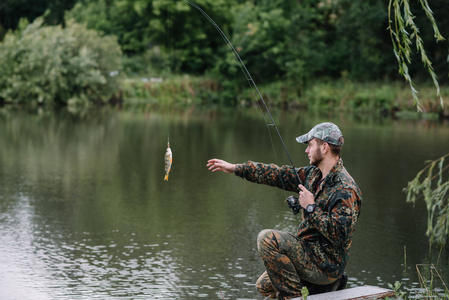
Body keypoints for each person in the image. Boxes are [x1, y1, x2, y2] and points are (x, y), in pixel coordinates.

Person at [207, 122, 362, 300]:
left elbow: (340, 237)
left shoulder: (346, 189)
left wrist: (311, 208)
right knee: (264, 285)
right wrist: (236, 168)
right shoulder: (314, 175)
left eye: (310, 145)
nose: (306, 151)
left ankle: (295, 297)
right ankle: (319, 290)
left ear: (325, 147)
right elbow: (277, 174)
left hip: (327, 265)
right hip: (309, 254)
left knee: (267, 239)